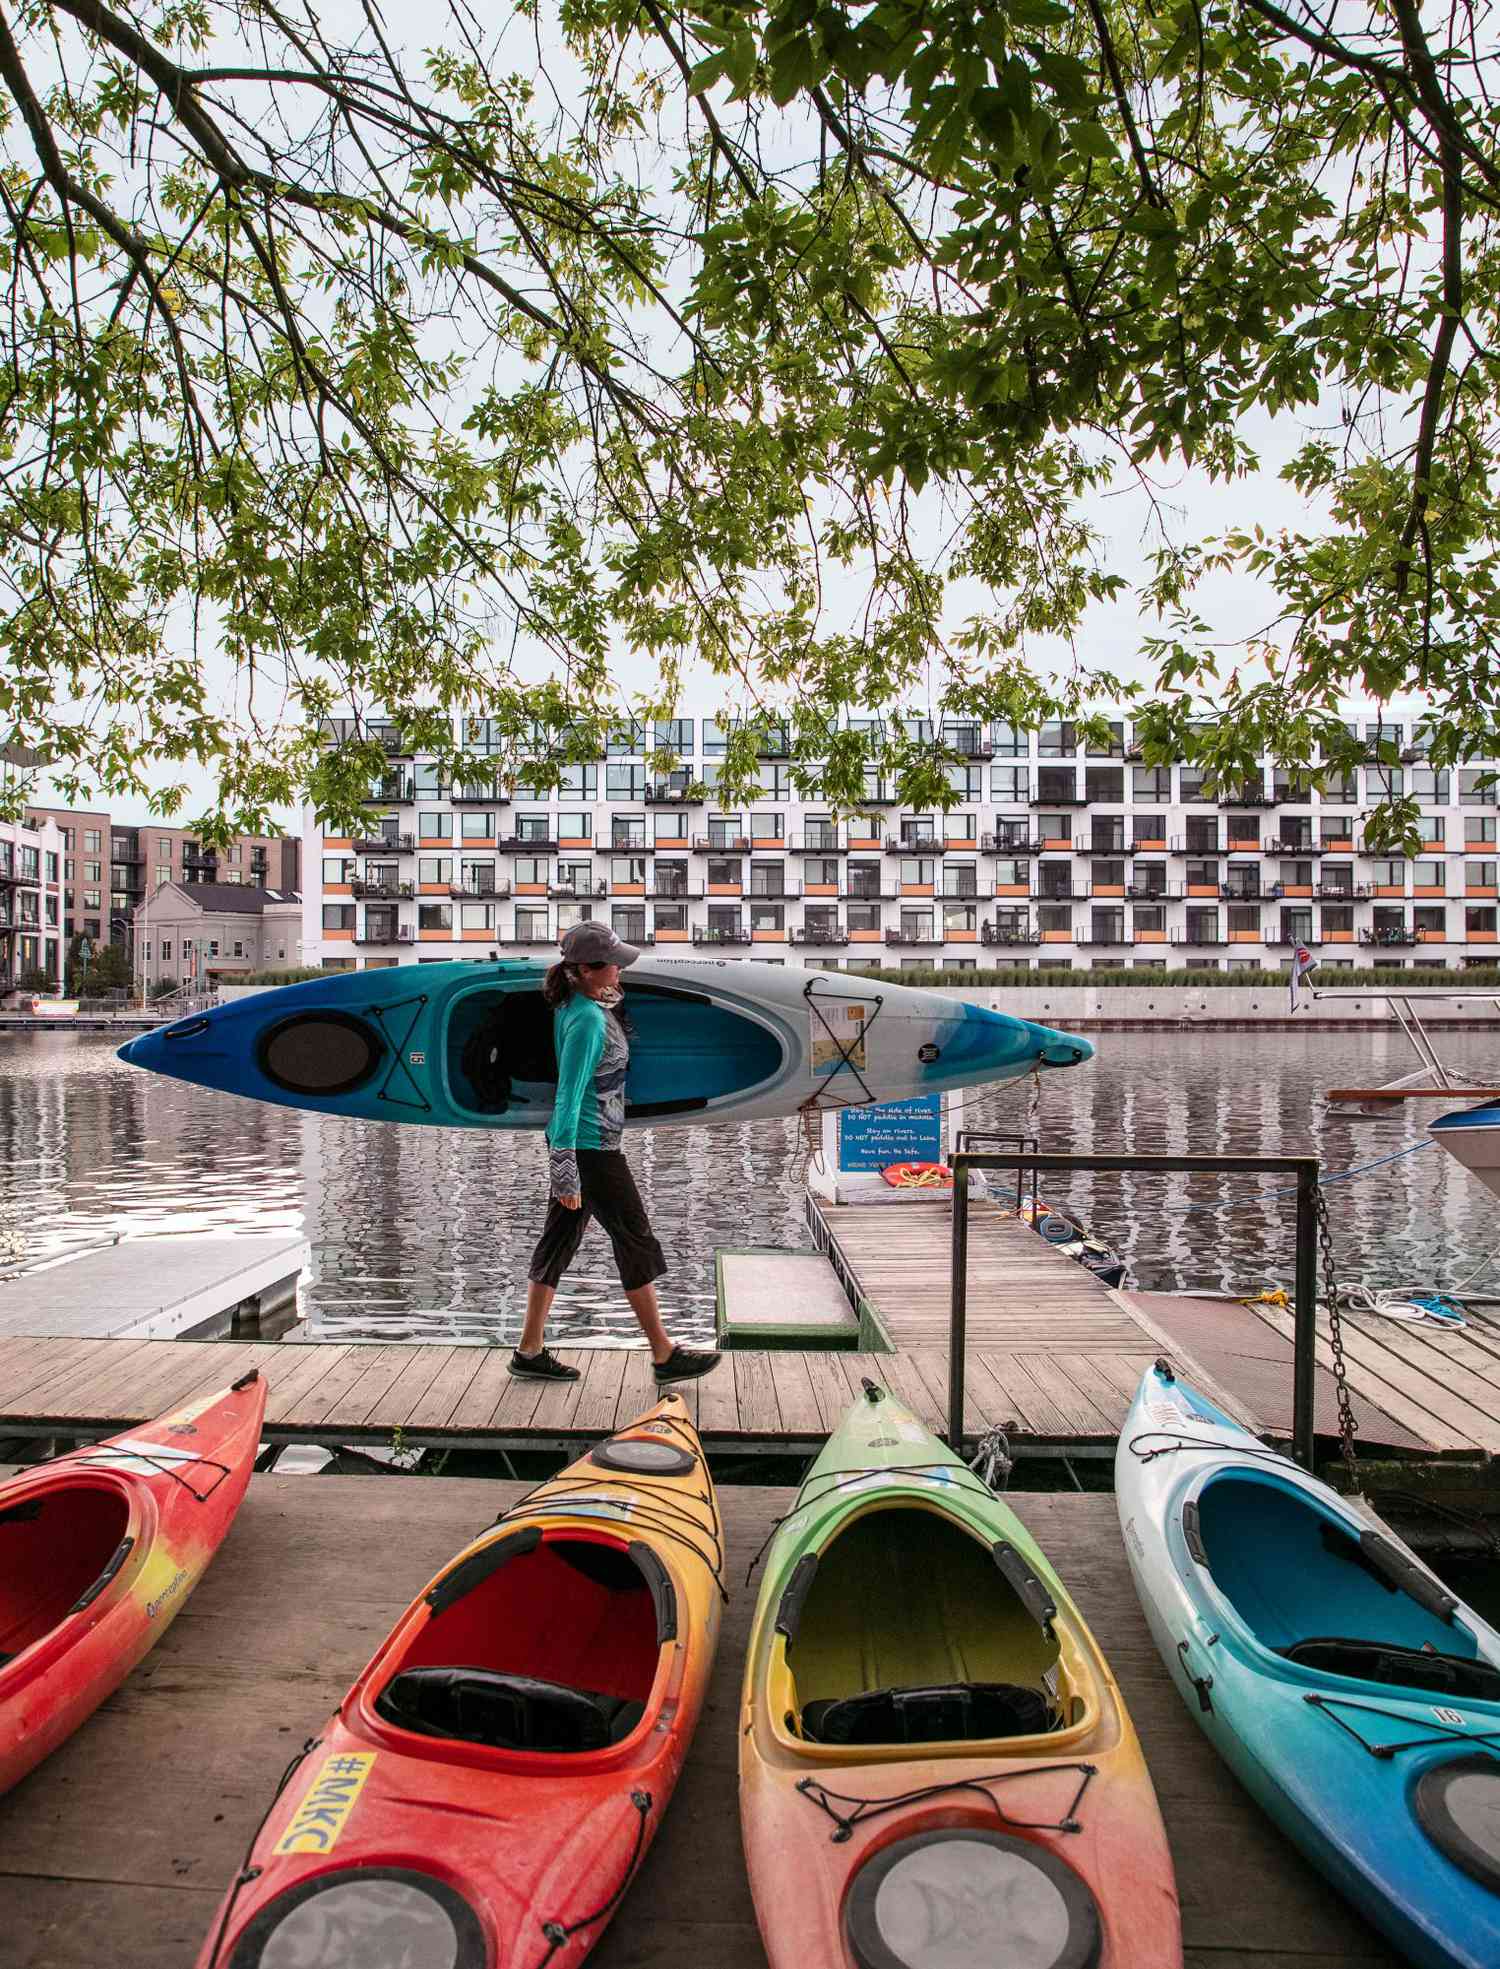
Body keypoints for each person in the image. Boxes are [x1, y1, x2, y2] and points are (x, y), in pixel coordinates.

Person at [509, 921, 721, 1384]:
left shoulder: (580, 1006)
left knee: (558, 1244)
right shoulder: (585, 1019)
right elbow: (568, 1092)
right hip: (589, 1149)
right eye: (613, 964)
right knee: (634, 1239)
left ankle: (528, 1351)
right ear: (585, 970)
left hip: (590, 1145)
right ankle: (664, 1353)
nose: (621, 970)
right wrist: (563, 1165)